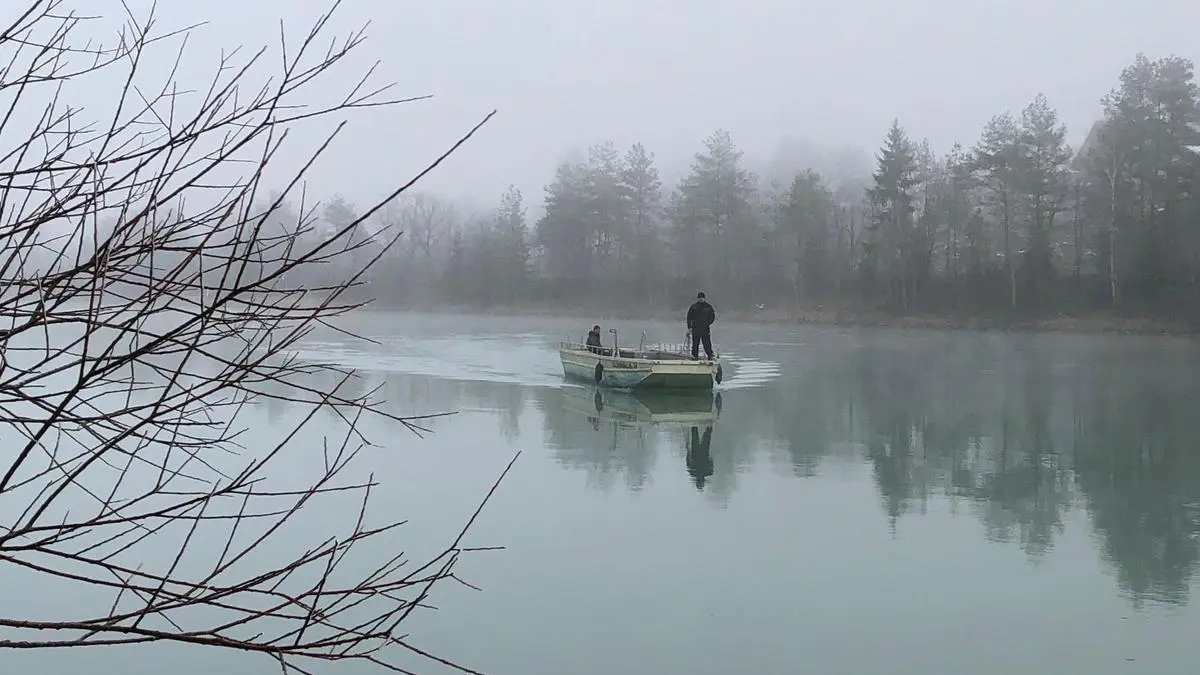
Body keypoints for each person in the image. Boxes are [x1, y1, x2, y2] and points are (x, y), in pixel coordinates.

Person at [686, 292, 716, 360]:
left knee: (707, 343)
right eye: (699, 298)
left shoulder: (708, 307)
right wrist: (689, 327)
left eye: (702, 298)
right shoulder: (693, 307)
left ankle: (710, 355)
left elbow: (712, 317)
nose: (701, 299)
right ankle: (694, 356)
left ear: (704, 298)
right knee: (695, 344)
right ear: (697, 298)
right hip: (695, 328)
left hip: (705, 329)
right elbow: (689, 318)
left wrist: (708, 323)